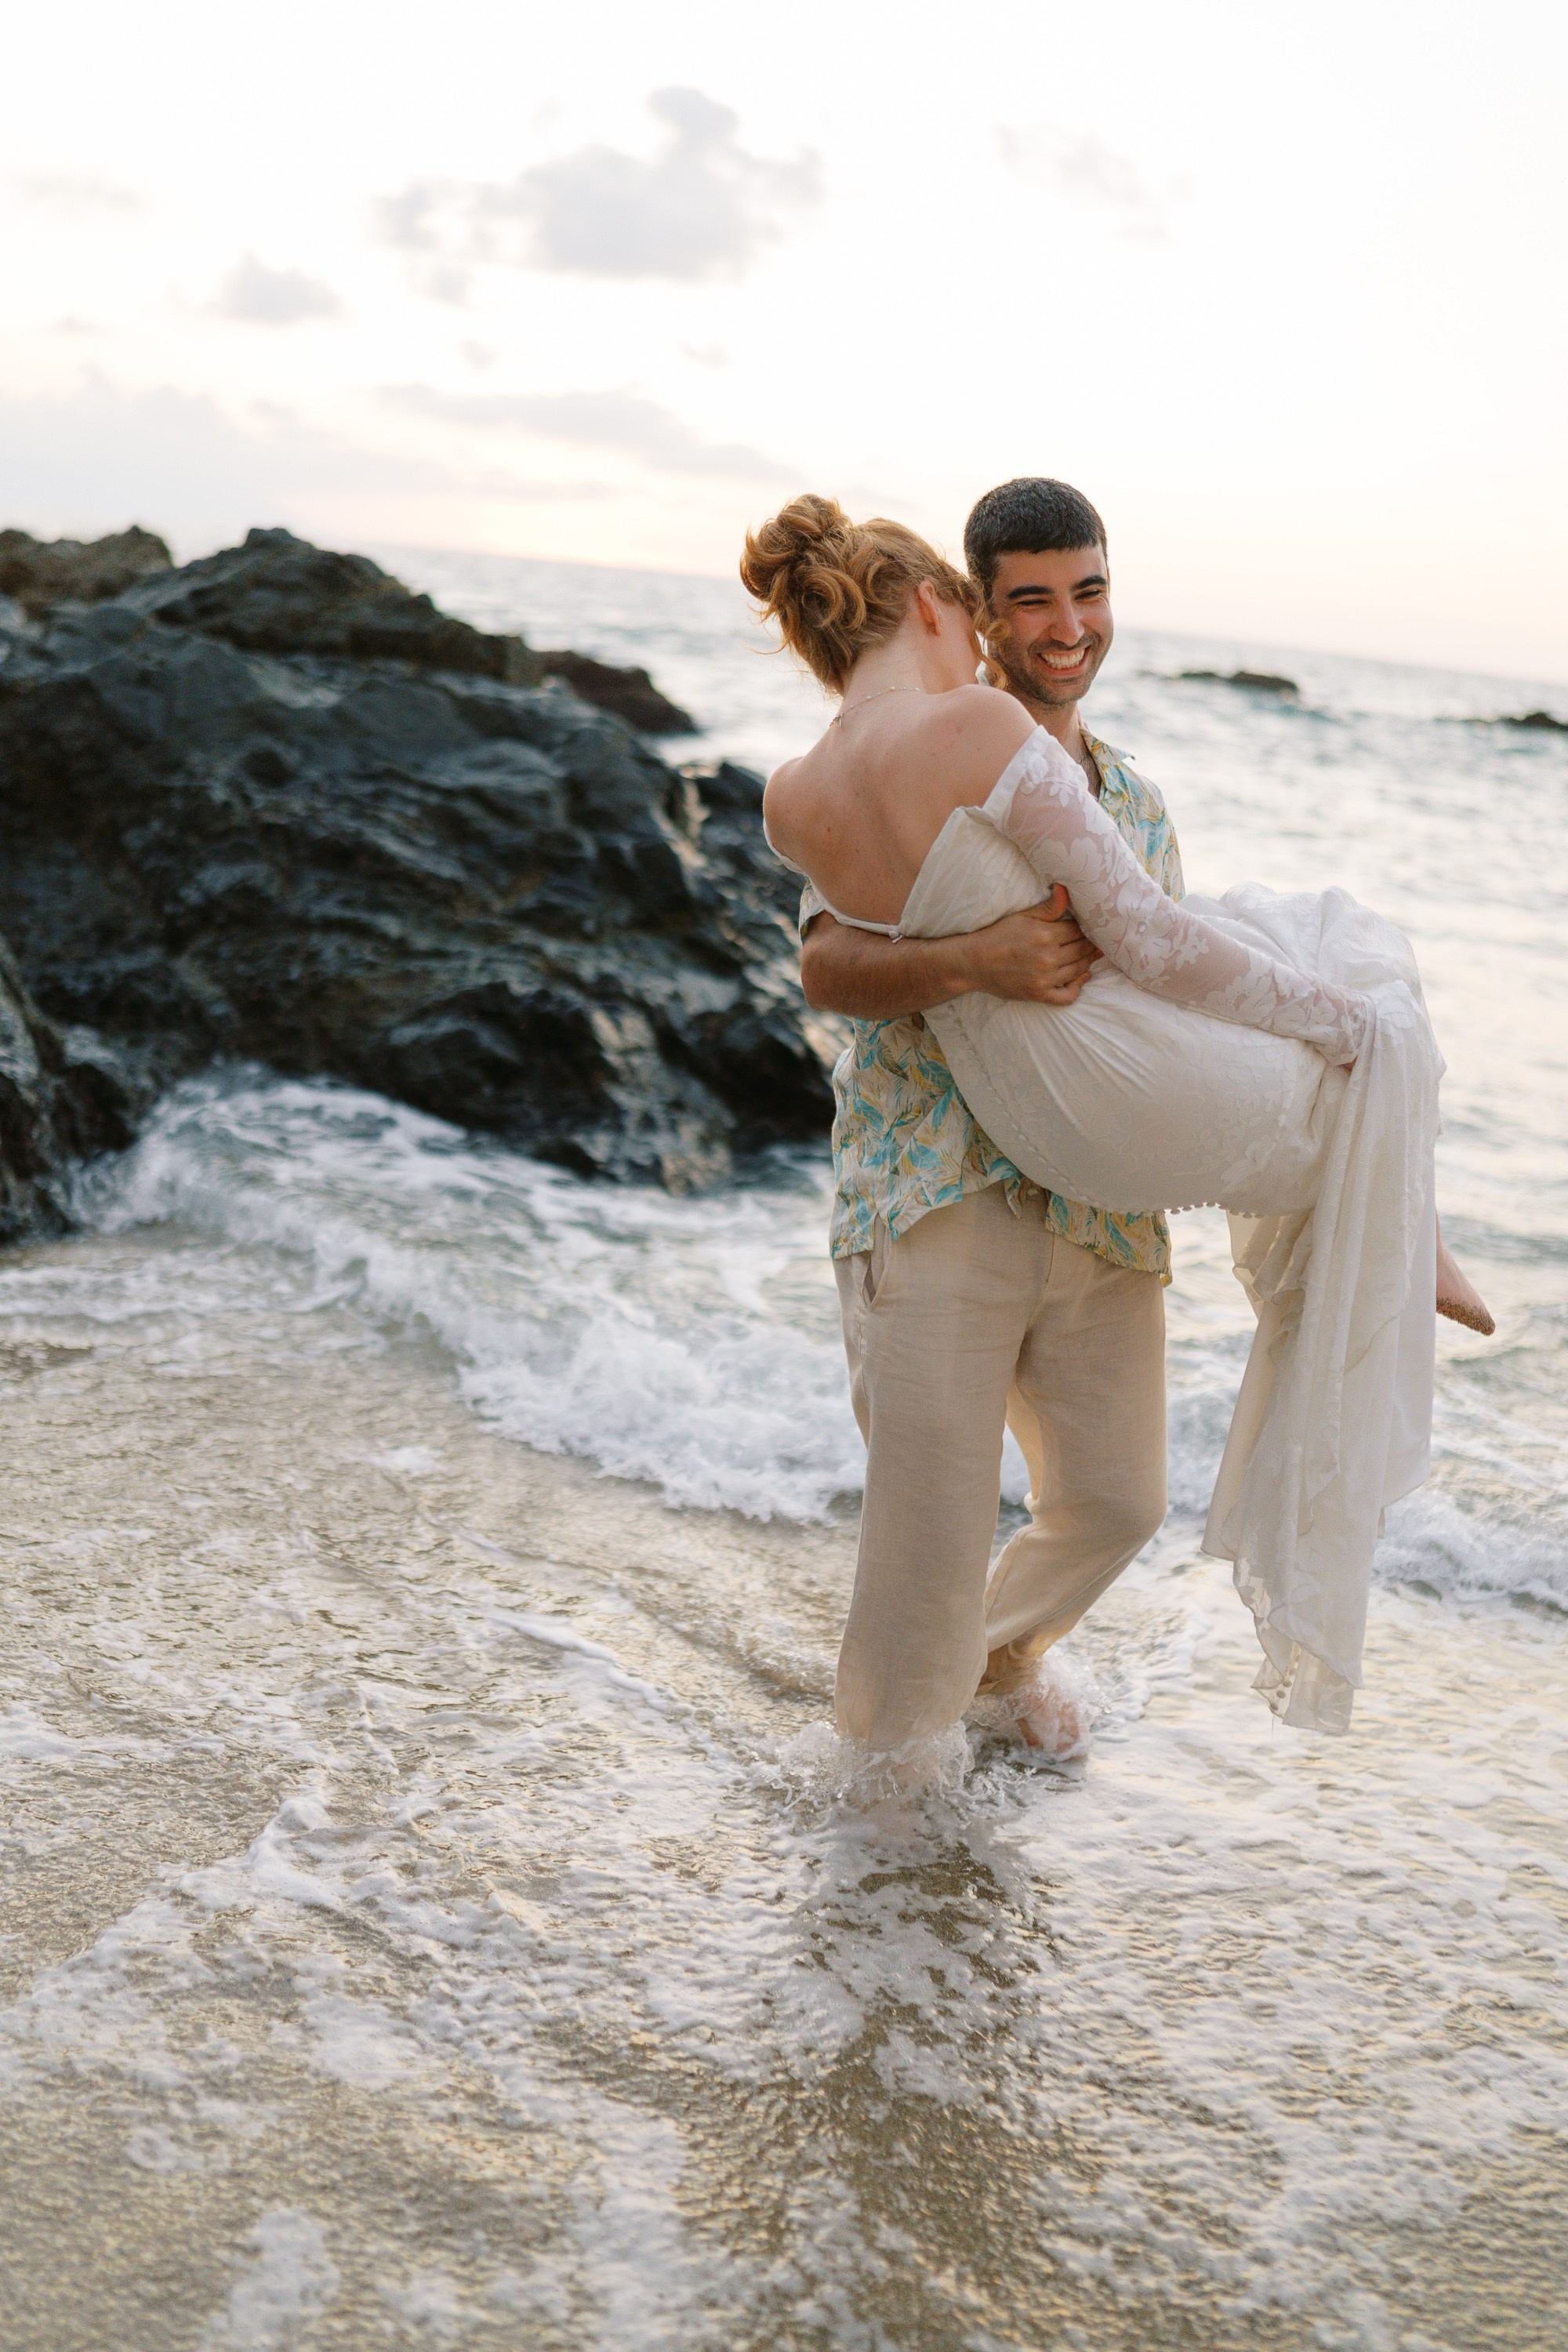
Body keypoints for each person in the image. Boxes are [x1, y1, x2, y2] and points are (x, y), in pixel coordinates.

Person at [746, 482, 1487, 1755]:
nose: (1067, 624)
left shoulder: (1131, 798)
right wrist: (977, 959)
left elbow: (1164, 1018)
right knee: (924, 1538)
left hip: (1096, 1205)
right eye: (1031, 598)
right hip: (935, 1186)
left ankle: (982, 1673)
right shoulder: (946, 737)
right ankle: (886, 1831)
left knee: (1115, 1501)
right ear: (964, 610)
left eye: (1088, 592)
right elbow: (823, 964)